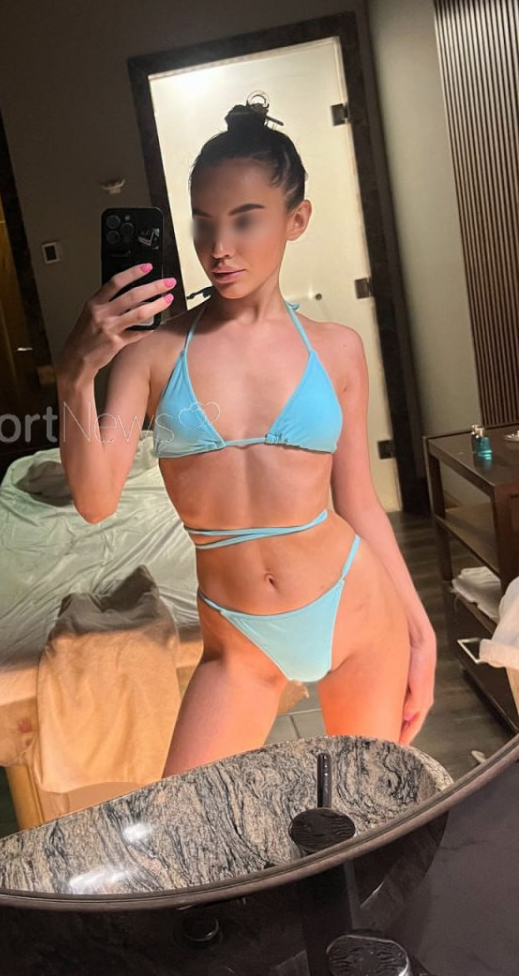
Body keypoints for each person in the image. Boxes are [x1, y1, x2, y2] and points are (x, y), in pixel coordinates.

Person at [55, 99, 437, 776]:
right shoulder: (152, 353)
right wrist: (75, 373)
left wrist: (420, 628)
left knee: (369, 817)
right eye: (203, 222)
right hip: (239, 641)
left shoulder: (338, 350)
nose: (218, 247)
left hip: (356, 612)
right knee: (186, 825)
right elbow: (94, 501)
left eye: (244, 219)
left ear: (297, 219)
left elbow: (359, 502)